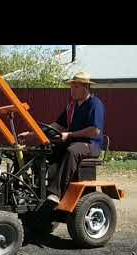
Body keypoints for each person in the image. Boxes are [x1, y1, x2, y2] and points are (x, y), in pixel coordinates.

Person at [18, 71, 105, 204]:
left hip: (91, 145)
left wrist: (70, 135)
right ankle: (36, 187)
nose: (72, 90)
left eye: (76, 87)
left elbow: (94, 131)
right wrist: (32, 134)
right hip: (72, 142)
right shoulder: (71, 106)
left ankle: (55, 193)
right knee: (44, 148)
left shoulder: (95, 104)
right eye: (71, 86)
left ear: (86, 87)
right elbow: (57, 126)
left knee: (71, 151)